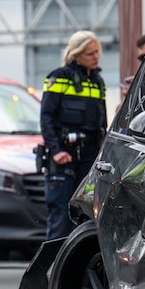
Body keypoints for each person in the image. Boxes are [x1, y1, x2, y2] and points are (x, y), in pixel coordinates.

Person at [40, 31, 107, 240]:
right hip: (64, 155)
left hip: (89, 155)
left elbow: (103, 124)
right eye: (90, 53)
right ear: (76, 55)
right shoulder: (59, 77)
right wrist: (55, 150)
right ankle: (54, 260)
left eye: (97, 52)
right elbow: (46, 117)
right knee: (60, 216)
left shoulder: (98, 81)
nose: (96, 57)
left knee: (85, 215)